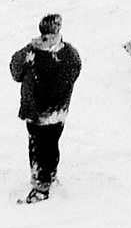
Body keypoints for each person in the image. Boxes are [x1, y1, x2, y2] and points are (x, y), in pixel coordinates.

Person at [9, 13, 82, 203]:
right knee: (52, 144)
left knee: (37, 147)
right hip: (59, 110)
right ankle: (50, 174)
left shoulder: (30, 53)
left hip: (36, 111)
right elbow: (76, 70)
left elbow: (16, 71)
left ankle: (41, 187)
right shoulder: (69, 52)